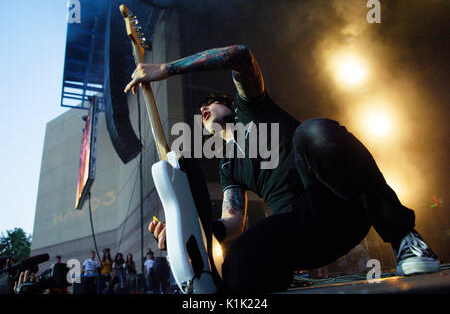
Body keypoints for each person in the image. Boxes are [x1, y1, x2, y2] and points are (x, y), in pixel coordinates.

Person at [125, 45, 440, 293]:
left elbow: (240, 55)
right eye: (201, 112)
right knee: (238, 267)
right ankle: (282, 279)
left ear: (229, 104)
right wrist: (188, 229)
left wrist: (165, 70)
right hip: (304, 230)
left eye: (210, 103)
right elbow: (233, 221)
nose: (204, 109)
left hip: (338, 201)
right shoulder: (227, 165)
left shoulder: (251, 107)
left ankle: (405, 237)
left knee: (312, 133)